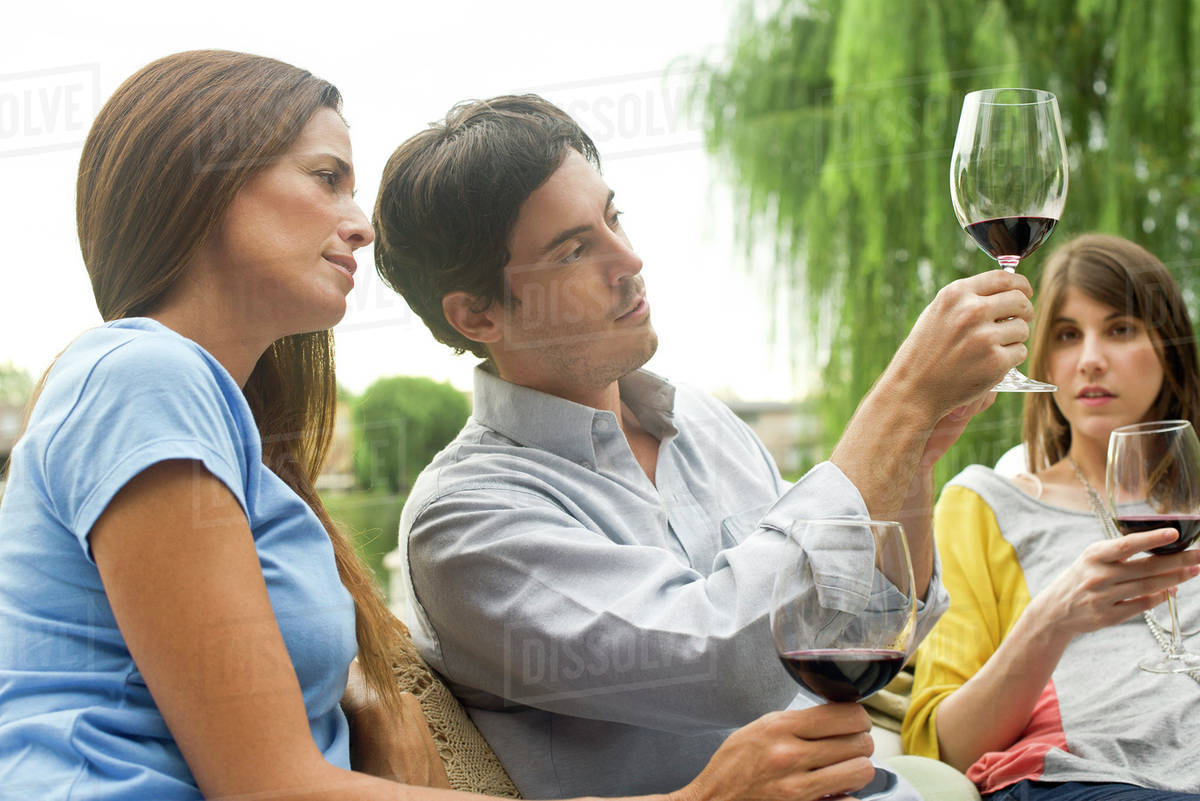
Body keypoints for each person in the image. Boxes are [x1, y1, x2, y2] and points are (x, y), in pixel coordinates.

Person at [0, 50, 910, 801]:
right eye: (326, 179)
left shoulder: (232, 437)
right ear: (199, 189)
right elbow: (270, 786)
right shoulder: (140, 373)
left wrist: (359, 690)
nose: (359, 226)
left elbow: (226, 688)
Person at [372, 94, 1034, 800]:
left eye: (613, 217)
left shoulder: (704, 423)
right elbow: (728, 658)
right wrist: (901, 400)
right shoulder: (465, 523)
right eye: (572, 248)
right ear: (478, 313)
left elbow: (865, 618)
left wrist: (913, 456)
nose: (629, 259)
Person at [902, 233, 1200, 800]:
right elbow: (944, 749)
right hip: (1089, 779)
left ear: (1168, 348)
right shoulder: (984, 504)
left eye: (1120, 329)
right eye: (1067, 335)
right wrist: (1055, 617)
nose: (1090, 358)